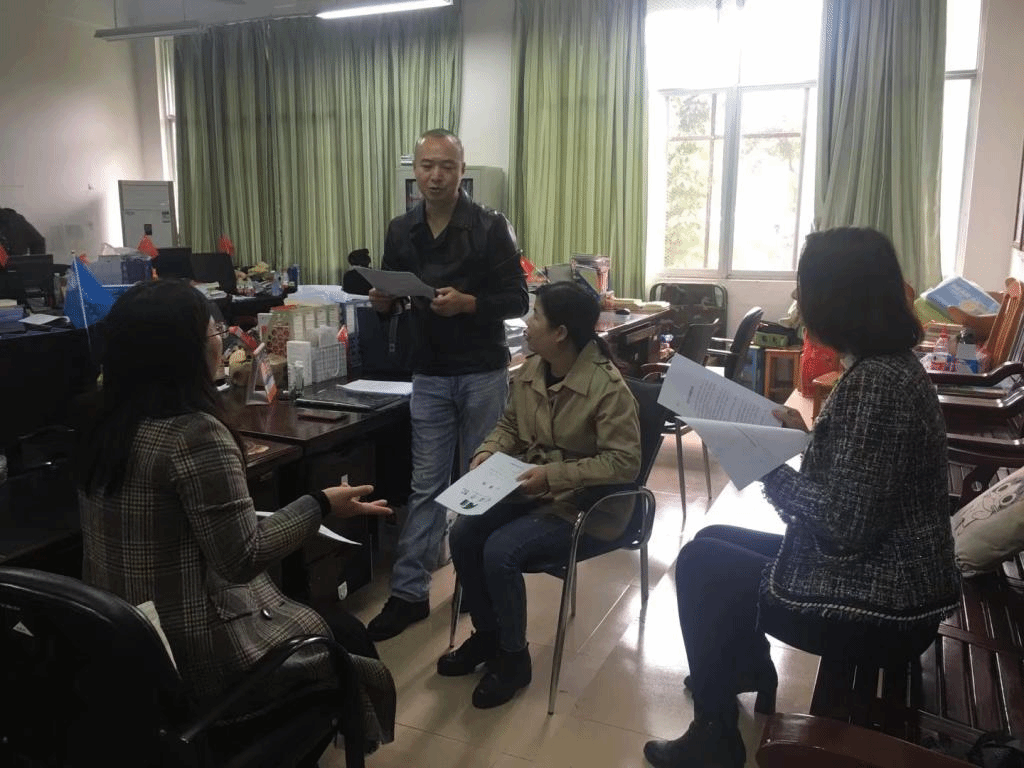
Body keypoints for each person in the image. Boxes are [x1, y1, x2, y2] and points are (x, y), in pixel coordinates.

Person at [643, 227, 960, 768]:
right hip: (889, 573)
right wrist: (805, 438)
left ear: (835, 297)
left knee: (702, 565)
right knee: (713, 538)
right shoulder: (886, 367)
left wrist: (763, 459)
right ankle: (743, 670)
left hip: (885, 604)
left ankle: (714, 737)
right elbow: (865, 473)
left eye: (804, 286)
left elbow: (843, 526)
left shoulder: (876, 383)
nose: (799, 299)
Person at [76, 280, 396, 760]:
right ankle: (342, 733)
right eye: (214, 332)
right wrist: (321, 504)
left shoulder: (96, 421)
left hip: (124, 645)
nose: (223, 344)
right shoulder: (196, 434)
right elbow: (243, 557)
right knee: (347, 638)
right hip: (198, 662)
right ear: (182, 351)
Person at [435, 281, 641, 708]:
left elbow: (624, 464)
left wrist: (553, 476)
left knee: (500, 550)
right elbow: (510, 425)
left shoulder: (607, 388)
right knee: (464, 534)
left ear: (560, 332)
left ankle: (514, 658)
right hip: (535, 490)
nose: (527, 323)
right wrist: (488, 450)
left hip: (587, 506)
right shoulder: (533, 370)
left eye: (536, 316)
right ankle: (489, 637)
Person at [365, 129, 529, 641]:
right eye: (427, 166)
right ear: (415, 169)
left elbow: (519, 299)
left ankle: (479, 587)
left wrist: (469, 303)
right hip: (429, 371)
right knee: (426, 486)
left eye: (447, 166)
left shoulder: (490, 226)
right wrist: (382, 301)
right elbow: (393, 291)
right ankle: (409, 593)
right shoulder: (401, 229)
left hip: (481, 370)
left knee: (481, 485)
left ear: (462, 171)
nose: (436, 176)